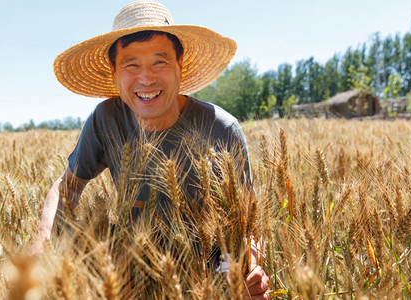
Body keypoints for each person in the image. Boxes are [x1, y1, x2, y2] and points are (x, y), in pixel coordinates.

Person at [33, 1, 270, 299]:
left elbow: (246, 226)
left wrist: (246, 273)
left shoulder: (223, 129)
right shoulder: (106, 119)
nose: (146, 78)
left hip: (208, 282)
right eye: (131, 64)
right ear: (114, 70)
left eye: (160, 62)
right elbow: (67, 186)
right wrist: (41, 244)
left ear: (180, 64)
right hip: (132, 274)